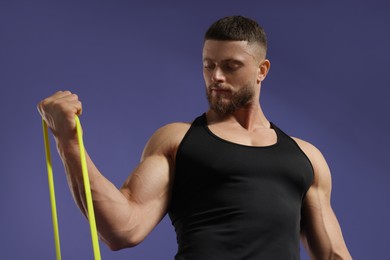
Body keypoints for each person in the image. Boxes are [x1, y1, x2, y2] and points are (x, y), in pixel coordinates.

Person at [38, 16, 352, 259]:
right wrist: (69, 144)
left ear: (262, 70)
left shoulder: (305, 157)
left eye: (230, 66)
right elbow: (123, 228)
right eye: (209, 65)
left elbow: (333, 254)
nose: (216, 76)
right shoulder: (178, 141)